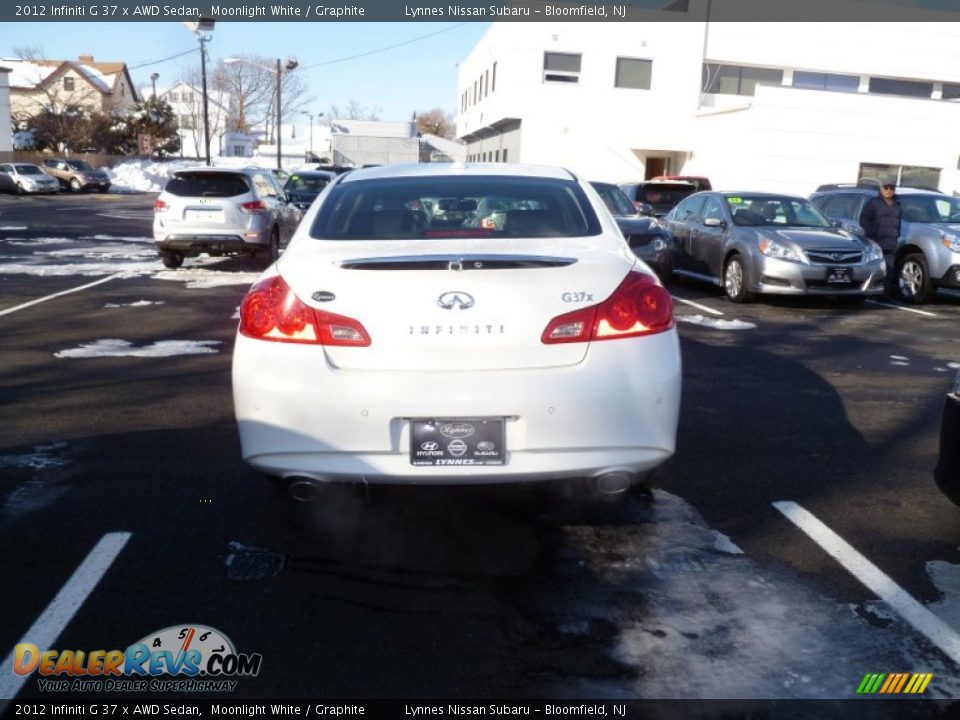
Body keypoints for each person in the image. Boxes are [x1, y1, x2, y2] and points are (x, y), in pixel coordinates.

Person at [858, 179, 902, 295]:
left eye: (891, 188)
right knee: (876, 269)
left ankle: (885, 295)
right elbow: (863, 220)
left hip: (891, 243)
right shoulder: (873, 203)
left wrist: (897, 234)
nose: (889, 190)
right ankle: (869, 291)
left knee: (889, 270)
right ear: (881, 188)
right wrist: (872, 233)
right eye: (886, 187)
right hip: (876, 242)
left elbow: (898, 222)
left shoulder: (898, 204)